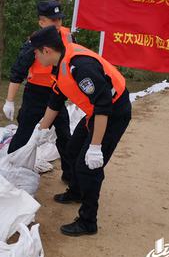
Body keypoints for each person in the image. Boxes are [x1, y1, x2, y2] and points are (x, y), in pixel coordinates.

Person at [30, 25, 132, 237]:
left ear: (47, 50)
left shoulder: (80, 66)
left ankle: (88, 221)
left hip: (112, 113)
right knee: (72, 151)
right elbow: (56, 100)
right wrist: (41, 130)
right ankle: (76, 192)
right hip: (95, 113)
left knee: (88, 165)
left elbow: (104, 104)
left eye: (36, 52)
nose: (35, 56)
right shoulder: (60, 65)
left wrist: (95, 147)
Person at [3, 0, 73, 183]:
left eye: (59, 19)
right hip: (35, 94)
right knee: (24, 132)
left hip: (57, 93)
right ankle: (11, 168)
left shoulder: (68, 36)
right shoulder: (34, 43)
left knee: (65, 134)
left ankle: (70, 175)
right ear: (41, 22)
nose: (58, 24)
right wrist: (9, 100)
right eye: (53, 20)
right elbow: (18, 72)